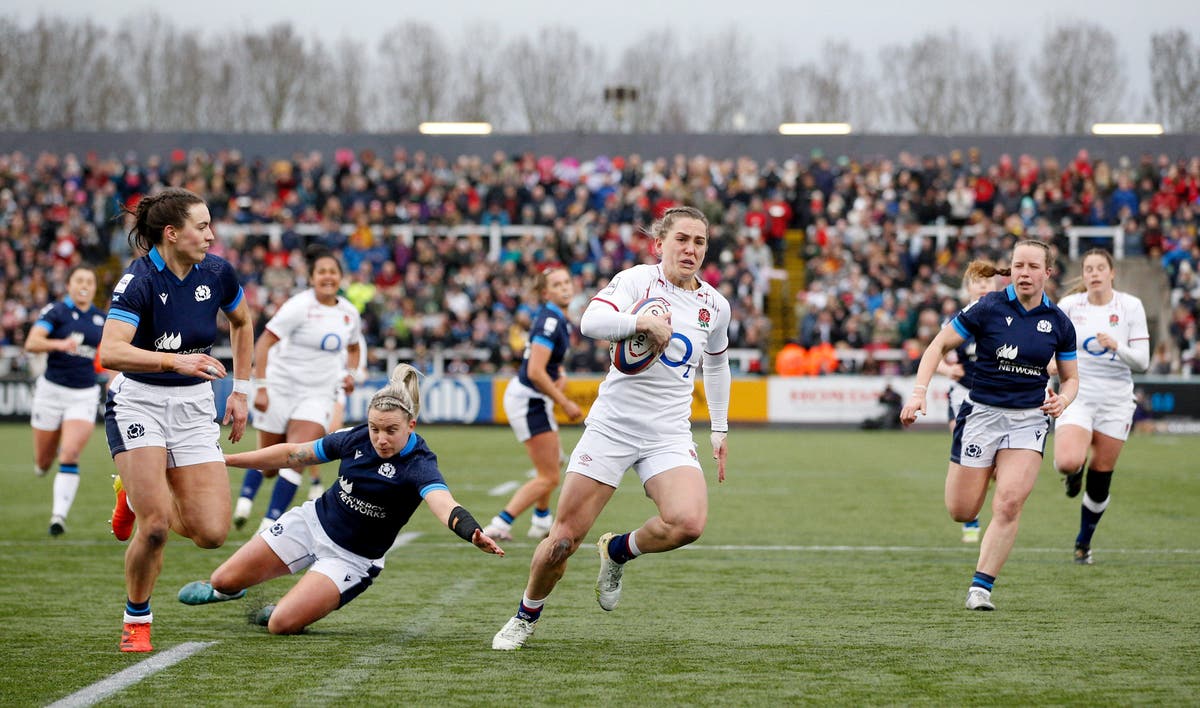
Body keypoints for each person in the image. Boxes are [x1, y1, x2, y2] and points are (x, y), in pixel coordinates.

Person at [492, 205, 731, 651]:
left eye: (699, 241)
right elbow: (591, 321)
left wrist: (719, 428)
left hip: (669, 433)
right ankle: (525, 615)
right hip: (613, 427)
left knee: (688, 523)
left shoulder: (714, 305)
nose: (691, 249)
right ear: (660, 243)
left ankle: (618, 550)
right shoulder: (637, 280)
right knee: (562, 540)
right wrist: (640, 321)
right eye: (682, 239)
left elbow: (717, 364)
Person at [176, 364, 503, 635]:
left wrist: (470, 531)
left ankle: (290, 607)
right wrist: (229, 460)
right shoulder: (355, 437)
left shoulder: (419, 463)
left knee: (280, 625)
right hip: (311, 523)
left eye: (390, 430)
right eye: (375, 428)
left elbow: (443, 503)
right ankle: (231, 588)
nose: (380, 438)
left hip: (352, 559)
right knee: (222, 580)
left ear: (411, 425)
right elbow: (294, 454)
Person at [100, 187, 254, 652]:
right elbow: (110, 351)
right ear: (172, 233)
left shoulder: (218, 272)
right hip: (139, 402)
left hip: (192, 407)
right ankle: (137, 618)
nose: (211, 235)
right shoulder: (140, 279)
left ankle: (134, 489)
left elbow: (243, 323)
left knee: (211, 534)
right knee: (155, 528)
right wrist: (174, 362)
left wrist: (242, 392)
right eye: (202, 226)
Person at [900, 240, 1079, 612]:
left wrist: (1063, 399)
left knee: (1010, 503)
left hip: (1029, 420)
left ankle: (981, 588)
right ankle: (989, 471)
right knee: (962, 511)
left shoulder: (1060, 323)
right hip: (981, 416)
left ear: (1048, 272)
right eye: (1018, 265)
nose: (1024, 272)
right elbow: (936, 347)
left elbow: (1071, 378)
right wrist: (918, 393)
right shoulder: (988, 307)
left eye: (1032, 266)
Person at [232, 247, 362, 532]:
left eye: (333, 272)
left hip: (318, 395)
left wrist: (350, 374)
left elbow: (353, 347)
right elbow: (264, 343)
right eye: (322, 272)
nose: (328, 277)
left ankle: (267, 525)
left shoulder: (349, 313)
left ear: (341, 277)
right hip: (280, 388)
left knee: (298, 457)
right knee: (268, 465)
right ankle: (245, 501)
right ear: (312, 277)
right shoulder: (298, 306)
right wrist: (262, 387)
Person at [1052, 249, 1150, 564]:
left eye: (1099, 268)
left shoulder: (1130, 306)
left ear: (1111, 273)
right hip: (1077, 392)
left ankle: (1083, 542)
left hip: (1116, 399)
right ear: (1084, 275)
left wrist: (1117, 346)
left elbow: (1143, 362)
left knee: (1101, 477)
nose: (1094, 273)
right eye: (1088, 269)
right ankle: (1073, 473)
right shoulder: (1069, 306)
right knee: (1067, 461)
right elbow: (1050, 346)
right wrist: (1051, 367)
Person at [483, 266, 583, 541]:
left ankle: (541, 520)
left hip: (534, 399)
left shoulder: (558, 318)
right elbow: (534, 372)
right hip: (529, 401)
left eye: (566, 282)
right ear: (545, 292)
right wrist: (564, 402)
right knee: (549, 477)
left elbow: (545, 367)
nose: (565, 287)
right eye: (557, 284)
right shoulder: (550, 321)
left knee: (553, 465)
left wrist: (557, 376)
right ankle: (500, 524)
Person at [24, 265, 106, 536]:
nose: (84, 285)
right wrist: (58, 344)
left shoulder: (102, 319)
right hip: (50, 393)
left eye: (89, 281)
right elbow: (32, 342)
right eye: (79, 280)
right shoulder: (56, 311)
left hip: (83, 394)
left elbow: (110, 356)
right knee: (44, 462)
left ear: (94, 288)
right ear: (69, 285)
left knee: (70, 453)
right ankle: (44, 462)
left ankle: (58, 516)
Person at [936, 262, 1002, 543]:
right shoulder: (957, 319)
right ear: (968, 288)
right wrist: (947, 369)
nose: (983, 286)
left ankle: (993, 501)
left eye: (988, 281)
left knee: (991, 466)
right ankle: (971, 518)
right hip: (963, 392)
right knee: (964, 447)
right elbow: (934, 352)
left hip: (995, 396)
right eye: (977, 281)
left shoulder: (1005, 316)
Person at [307, 328, 367, 502]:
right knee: (312, 433)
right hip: (313, 386)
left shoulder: (355, 337)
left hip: (336, 388)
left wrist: (353, 376)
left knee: (333, 430)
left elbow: (360, 369)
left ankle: (347, 481)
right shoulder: (317, 329)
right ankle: (315, 481)